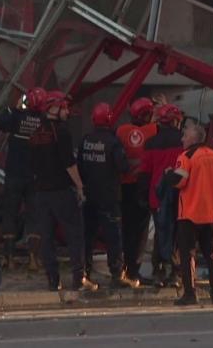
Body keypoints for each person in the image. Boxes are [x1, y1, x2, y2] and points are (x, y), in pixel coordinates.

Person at [29, 91, 91, 291]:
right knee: (74, 235)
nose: (67, 111)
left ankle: (53, 281)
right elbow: (69, 163)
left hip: (40, 193)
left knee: (46, 239)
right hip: (61, 191)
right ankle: (78, 279)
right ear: (54, 108)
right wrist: (80, 186)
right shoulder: (61, 132)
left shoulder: (36, 132)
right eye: (64, 107)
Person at [166, 124, 213, 305]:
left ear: (194, 139)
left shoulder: (186, 156)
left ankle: (190, 293)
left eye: (185, 136)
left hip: (190, 214)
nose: (182, 139)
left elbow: (179, 181)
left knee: (187, 255)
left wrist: (169, 175)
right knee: (212, 254)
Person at [79, 103, 136, 289]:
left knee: (87, 237)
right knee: (113, 238)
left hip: (89, 196)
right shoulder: (113, 142)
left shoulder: (86, 140)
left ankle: (84, 273)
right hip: (109, 197)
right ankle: (117, 275)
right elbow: (123, 167)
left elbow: (79, 165)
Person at [0, 87, 46, 270]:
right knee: (34, 216)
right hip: (35, 175)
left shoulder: (16, 117)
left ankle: (9, 258)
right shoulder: (43, 121)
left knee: (10, 214)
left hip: (14, 174)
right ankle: (33, 259)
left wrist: (13, 109)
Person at [137, 103, 185, 287]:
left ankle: (159, 270)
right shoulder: (184, 142)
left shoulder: (150, 143)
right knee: (178, 234)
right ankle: (176, 271)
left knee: (161, 232)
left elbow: (144, 172)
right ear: (175, 121)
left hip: (156, 197)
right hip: (180, 195)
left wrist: (142, 195)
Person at [116, 97, 158, 284]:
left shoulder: (122, 131)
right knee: (140, 231)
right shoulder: (152, 131)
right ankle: (134, 270)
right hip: (142, 187)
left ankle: (122, 267)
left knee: (125, 229)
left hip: (124, 186)